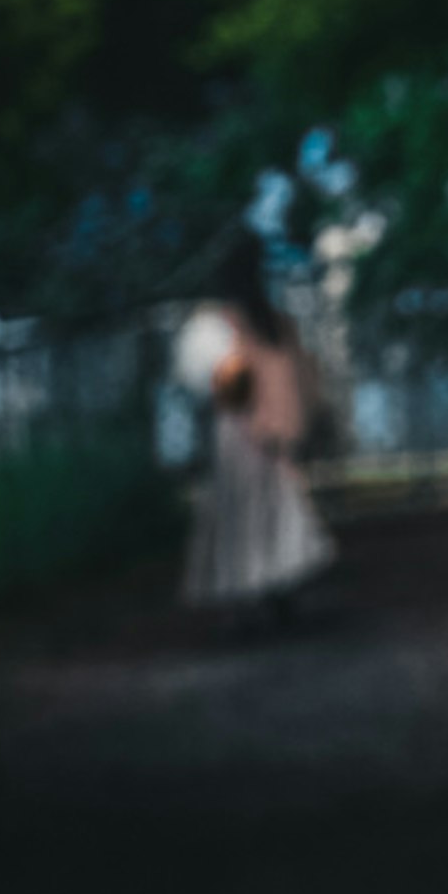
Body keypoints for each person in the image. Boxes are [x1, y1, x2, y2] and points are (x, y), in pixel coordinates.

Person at [173, 231, 336, 623]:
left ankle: (258, 595)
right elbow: (292, 382)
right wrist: (281, 422)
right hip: (264, 431)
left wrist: (258, 420)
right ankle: (270, 593)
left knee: (251, 513)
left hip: (243, 432)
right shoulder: (262, 323)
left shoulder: (231, 325)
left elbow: (231, 391)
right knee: (269, 509)